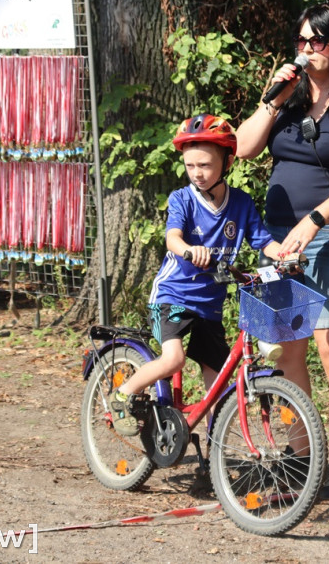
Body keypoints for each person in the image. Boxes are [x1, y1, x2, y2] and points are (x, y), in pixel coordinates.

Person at [236, 0, 329, 497]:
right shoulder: (288, 99)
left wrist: (316, 221)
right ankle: (300, 459)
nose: (307, 49)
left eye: (316, 40)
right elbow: (241, 146)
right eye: (300, 40)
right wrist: (274, 97)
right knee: (283, 351)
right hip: (276, 241)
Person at [110, 114, 290, 436]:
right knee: (174, 359)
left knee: (216, 381)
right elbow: (172, 238)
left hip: (211, 302)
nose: (197, 174)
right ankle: (124, 394)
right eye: (190, 166)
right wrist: (190, 250)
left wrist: (287, 255)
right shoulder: (182, 199)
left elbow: (264, 242)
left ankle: (213, 451)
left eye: (205, 165)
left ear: (227, 161)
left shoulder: (242, 204)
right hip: (174, 295)